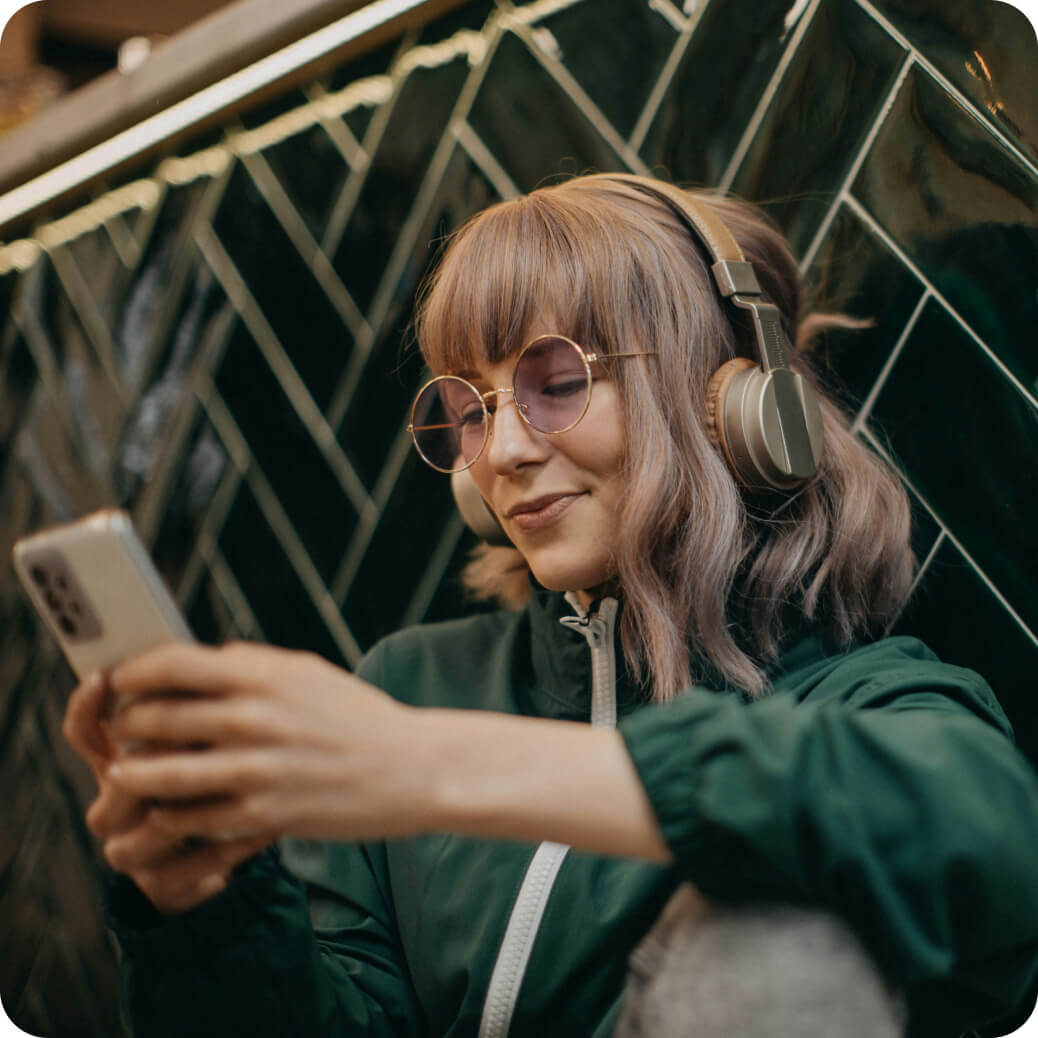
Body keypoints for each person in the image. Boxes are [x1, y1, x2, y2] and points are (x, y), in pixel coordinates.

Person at [63, 174, 1038, 1038]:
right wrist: (209, 906)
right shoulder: (409, 681)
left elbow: (993, 845)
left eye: (558, 383)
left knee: (774, 936)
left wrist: (429, 765)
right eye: (472, 407)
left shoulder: (871, 700)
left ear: (738, 405)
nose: (503, 451)